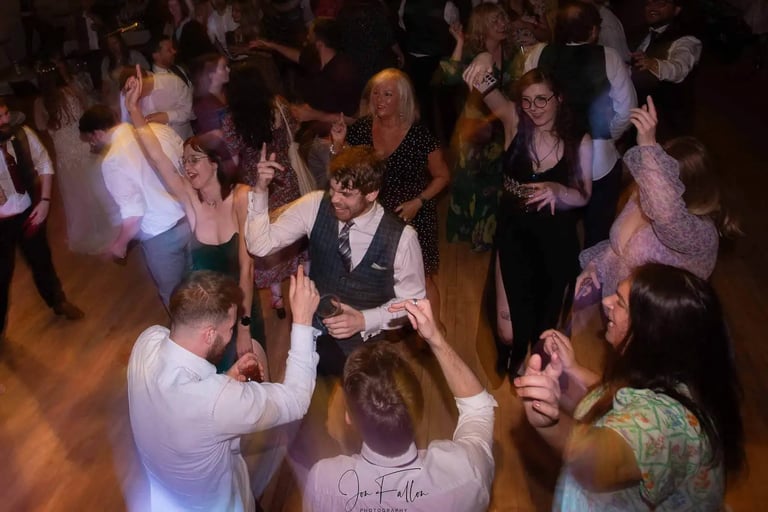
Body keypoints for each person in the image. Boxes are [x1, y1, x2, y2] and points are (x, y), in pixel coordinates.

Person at [514, 263, 745, 510]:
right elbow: (615, 397)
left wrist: (550, 423)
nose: (607, 302)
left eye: (621, 303)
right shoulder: (671, 373)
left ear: (650, 331)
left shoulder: (667, 424)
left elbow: (601, 463)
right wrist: (571, 369)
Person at [127, 267, 320, 511]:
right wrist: (302, 322)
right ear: (209, 334)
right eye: (230, 329)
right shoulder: (214, 402)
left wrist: (225, 380)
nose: (231, 336)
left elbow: (183, 404)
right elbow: (296, 399)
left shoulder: (147, 341)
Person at [124, 66, 266, 370]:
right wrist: (134, 109)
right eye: (184, 161)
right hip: (206, 318)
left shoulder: (240, 197)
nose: (186, 167)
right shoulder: (191, 199)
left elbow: (247, 269)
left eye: (194, 160)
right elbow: (157, 158)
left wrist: (243, 328)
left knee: (251, 379)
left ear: (215, 163)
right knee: (215, 381)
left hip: (242, 308)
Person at [244, 145, 426, 376]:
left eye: (346, 194)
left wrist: (364, 320)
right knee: (309, 394)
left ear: (371, 193)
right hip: (312, 333)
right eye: (333, 189)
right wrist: (260, 191)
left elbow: (413, 303)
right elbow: (259, 245)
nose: (335, 200)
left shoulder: (402, 238)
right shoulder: (315, 205)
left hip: (364, 347)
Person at [304, 298, 497, 511]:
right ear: (419, 409)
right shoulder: (467, 474)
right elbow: (479, 408)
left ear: (349, 418)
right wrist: (435, 339)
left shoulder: (323, 483)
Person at [462, 68, 592, 377]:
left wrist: (559, 190)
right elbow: (482, 81)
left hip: (555, 239)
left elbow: (584, 195)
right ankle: (514, 354)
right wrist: (483, 56)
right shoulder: (513, 120)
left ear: (559, 98)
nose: (534, 108)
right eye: (527, 101)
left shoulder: (579, 140)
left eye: (542, 99)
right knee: (507, 331)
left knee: (545, 318)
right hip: (514, 234)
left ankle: (533, 367)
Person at [577, 96, 737, 300]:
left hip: (650, 318)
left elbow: (667, 216)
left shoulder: (701, 235)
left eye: (662, 172)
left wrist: (648, 145)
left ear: (686, 188)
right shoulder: (642, 194)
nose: (650, 175)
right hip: (615, 306)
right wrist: (594, 267)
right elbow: (618, 250)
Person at [332, 68, 450, 328]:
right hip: (373, 216)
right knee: (381, 274)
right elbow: (347, 170)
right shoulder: (361, 130)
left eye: (387, 94)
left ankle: (433, 327)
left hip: (413, 215)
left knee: (423, 277)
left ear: (402, 99)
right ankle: (387, 321)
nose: (379, 100)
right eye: (376, 93)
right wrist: (339, 144)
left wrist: (418, 201)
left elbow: (442, 176)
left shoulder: (419, 136)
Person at [519, 0, 636, 248]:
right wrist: (606, 137)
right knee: (597, 232)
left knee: (554, 232)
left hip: (549, 155)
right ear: (593, 31)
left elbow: (528, 103)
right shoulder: (609, 57)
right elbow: (627, 111)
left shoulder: (538, 53)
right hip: (598, 161)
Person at [78, 105, 190, 307]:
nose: (92, 145)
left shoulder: (112, 160)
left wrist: (119, 245)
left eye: (90, 140)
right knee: (205, 287)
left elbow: (134, 215)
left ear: (97, 134)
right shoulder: (157, 130)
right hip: (191, 218)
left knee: (177, 299)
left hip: (161, 235)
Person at [223, 62, 307, 319]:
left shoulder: (232, 120)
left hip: (257, 186)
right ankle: (302, 291)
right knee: (293, 236)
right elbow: (293, 132)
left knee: (265, 239)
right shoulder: (279, 106)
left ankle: (277, 299)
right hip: (284, 179)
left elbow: (232, 153)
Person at [0, 98, 84, 338]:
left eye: (6, 114)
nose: (5, 121)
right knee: (1, 274)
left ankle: (58, 301)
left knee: (42, 260)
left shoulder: (23, 135)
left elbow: (45, 163)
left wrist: (45, 201)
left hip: (29, 212)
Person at [250, 17, 363, 188]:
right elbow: (297, 56)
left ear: (319, 44)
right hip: (314, 138)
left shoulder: (343, 72)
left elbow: (354, 119)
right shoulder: (316, 60)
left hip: (334, 143)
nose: (306, 39)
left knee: (333, 186)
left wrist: (314, 115)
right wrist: (271, 45)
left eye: (310, 35)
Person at [440, 3, 516, 253]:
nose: (502, 24)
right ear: (482, 26)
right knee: (470, 183)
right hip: (475, 131)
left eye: (503, 18)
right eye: (495, 21)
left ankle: (486, 237)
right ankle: (468, 233)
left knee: (494, 186)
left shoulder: (512, 52)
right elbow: (450, 76)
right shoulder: (473, 54)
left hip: (501, 130)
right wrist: (460, 43)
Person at [33, 61, 117, 255]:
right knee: (97, 191)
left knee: (76, 198)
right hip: (84, 148)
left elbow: (40, 126)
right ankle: (109, 228)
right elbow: (86, 112)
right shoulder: (71, 91)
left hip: (66, 155)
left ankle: (87, 233)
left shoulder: (40, 103)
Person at [631, 0, 701, 140]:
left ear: (677, 9)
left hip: (667, 122)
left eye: (661, 3)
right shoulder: (643, 31)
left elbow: (679, 68)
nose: (652, 7)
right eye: (649, 2)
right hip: (638, 115)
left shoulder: (687, 40)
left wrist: (653, 64)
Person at [118, 66, 195, 140]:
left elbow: (191, 112)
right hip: (159, 145)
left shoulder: (173, 82)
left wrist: (167, 116)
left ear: (139, 81)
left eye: (131, 91)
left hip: (185, 141)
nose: (130, 95)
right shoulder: (131, 102)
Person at [190, 53, 236, 176]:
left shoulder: (228, 92)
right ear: (211, 74)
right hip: (227, 161)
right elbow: (216, 140)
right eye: (223, 67)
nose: (228, 69)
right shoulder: (205, 105)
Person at [164, 0, 216, 68]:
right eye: (170, 6)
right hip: (179, 64)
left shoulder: (190, 25)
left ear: (181, 6)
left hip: (193, 63)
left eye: (176, 5)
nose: (173, 8)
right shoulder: (168, 26)